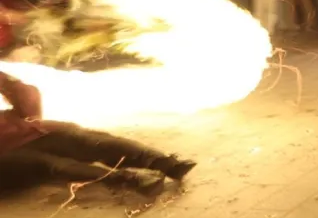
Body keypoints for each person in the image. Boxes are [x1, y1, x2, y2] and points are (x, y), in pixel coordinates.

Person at [0, 72, 195, 195]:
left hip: (30, 134)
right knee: (51, 164)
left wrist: (10, 82)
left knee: (89, 142)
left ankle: (164, 163)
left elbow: (29, 105)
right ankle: (129, 180)